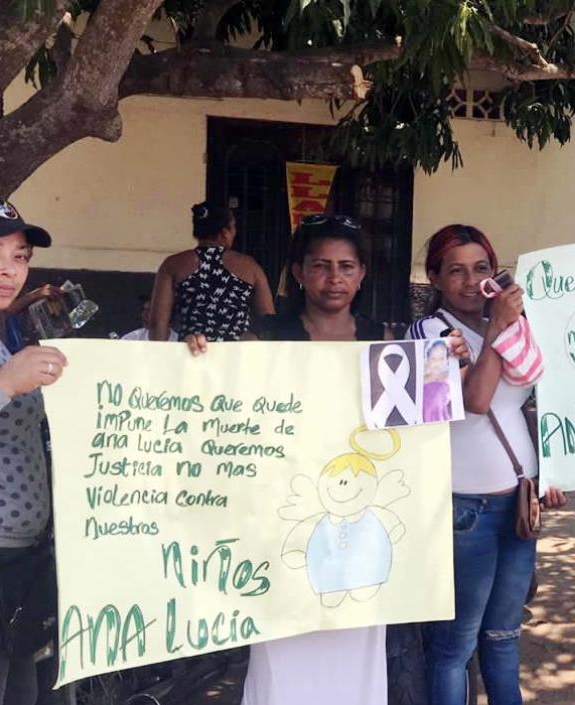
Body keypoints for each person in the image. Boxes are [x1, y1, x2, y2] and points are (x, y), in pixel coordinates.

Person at [186, 214, 443, 705]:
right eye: (321, 265)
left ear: (363, 273)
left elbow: (416, 434)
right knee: (281, 654)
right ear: (299, 273)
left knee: (356, 656)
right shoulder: (264, 339)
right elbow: (222, 408)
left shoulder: (387, 342)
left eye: (346, 266)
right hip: (283, 523)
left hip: (362, 530)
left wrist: (443, 365)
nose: (334, 278)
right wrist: (197, 360)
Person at [408, 224, 566, 705]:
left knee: (503, 637)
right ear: (433, 277)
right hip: (465, 510)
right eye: (455, 271)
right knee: (455, 646)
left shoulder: (513, 329)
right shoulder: (429, 334)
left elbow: (531, 403)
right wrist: (498, 326)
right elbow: (476, 401)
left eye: (480, 268)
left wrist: (553, 470)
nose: (470, 280)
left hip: (518, 501)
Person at [0, 199, 67, 705]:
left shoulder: (11, 330)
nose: (8, 269)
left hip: (25, 553)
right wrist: (7, 382)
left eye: (19, 256)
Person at [151, 202, 274, 342]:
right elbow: (268, 320)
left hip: (192, 353)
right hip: (238, 356)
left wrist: (159, 359)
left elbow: (157, 324)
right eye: (233, 226)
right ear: (225, 232)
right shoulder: (250, 267)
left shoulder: (172, 265)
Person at [423, 340, 454, 422]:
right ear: (427, 360)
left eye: (441, 358)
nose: (437, 363)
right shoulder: (422, 381)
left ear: (447, 361)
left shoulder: (450, 379)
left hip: (443, 421)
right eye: (433, 358)